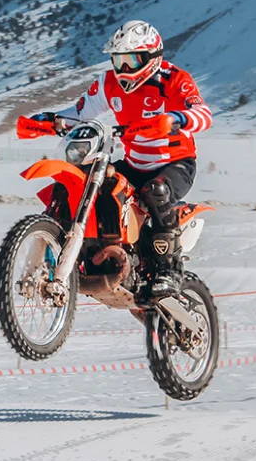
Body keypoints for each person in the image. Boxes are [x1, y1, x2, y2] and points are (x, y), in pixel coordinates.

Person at [26, 20, 213, 299]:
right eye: (118, 60)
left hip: (175, 164)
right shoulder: (108, 83)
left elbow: (203, 114)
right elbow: (80, 111)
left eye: (131, 60)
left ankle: (168, 271)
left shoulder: (175, 79)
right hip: (135, 162)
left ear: (152, 58)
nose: (124, 68)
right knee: (94, 183)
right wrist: (45, 121)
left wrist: (176, 119)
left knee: (155, 191)